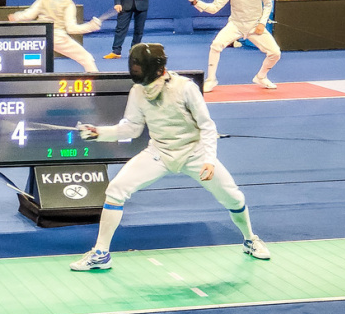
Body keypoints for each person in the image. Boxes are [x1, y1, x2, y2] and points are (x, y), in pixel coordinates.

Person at [70, 43, 270, 271]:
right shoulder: (138, 91)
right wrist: (99, 133)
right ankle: (101, 254)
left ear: (157, 68)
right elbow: (132, 128)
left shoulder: (185, 88)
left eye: (139, 67)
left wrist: (209, 159)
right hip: (160, 152)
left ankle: (250, 239)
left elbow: (207, 126)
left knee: (233, 197)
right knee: (116, 190)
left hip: (194, 153)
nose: (135, 70)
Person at [188, 0, 280, 93]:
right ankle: (211, 80)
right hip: (236, 25)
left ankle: (261, 76)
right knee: (216, 45)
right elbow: (214, 8)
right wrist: (197, 3)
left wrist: (262, 23)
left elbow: (268, 5)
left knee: (275, 53)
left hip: (254, 26)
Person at [9, 0, 102, 72]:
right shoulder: (68, 4)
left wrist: (16, 16)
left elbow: (28, 15)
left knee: (32, 62)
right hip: (58, 38)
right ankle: (96, 81)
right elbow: (71, 28)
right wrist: (91, 26)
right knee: (87, 58)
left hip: (40, 36)